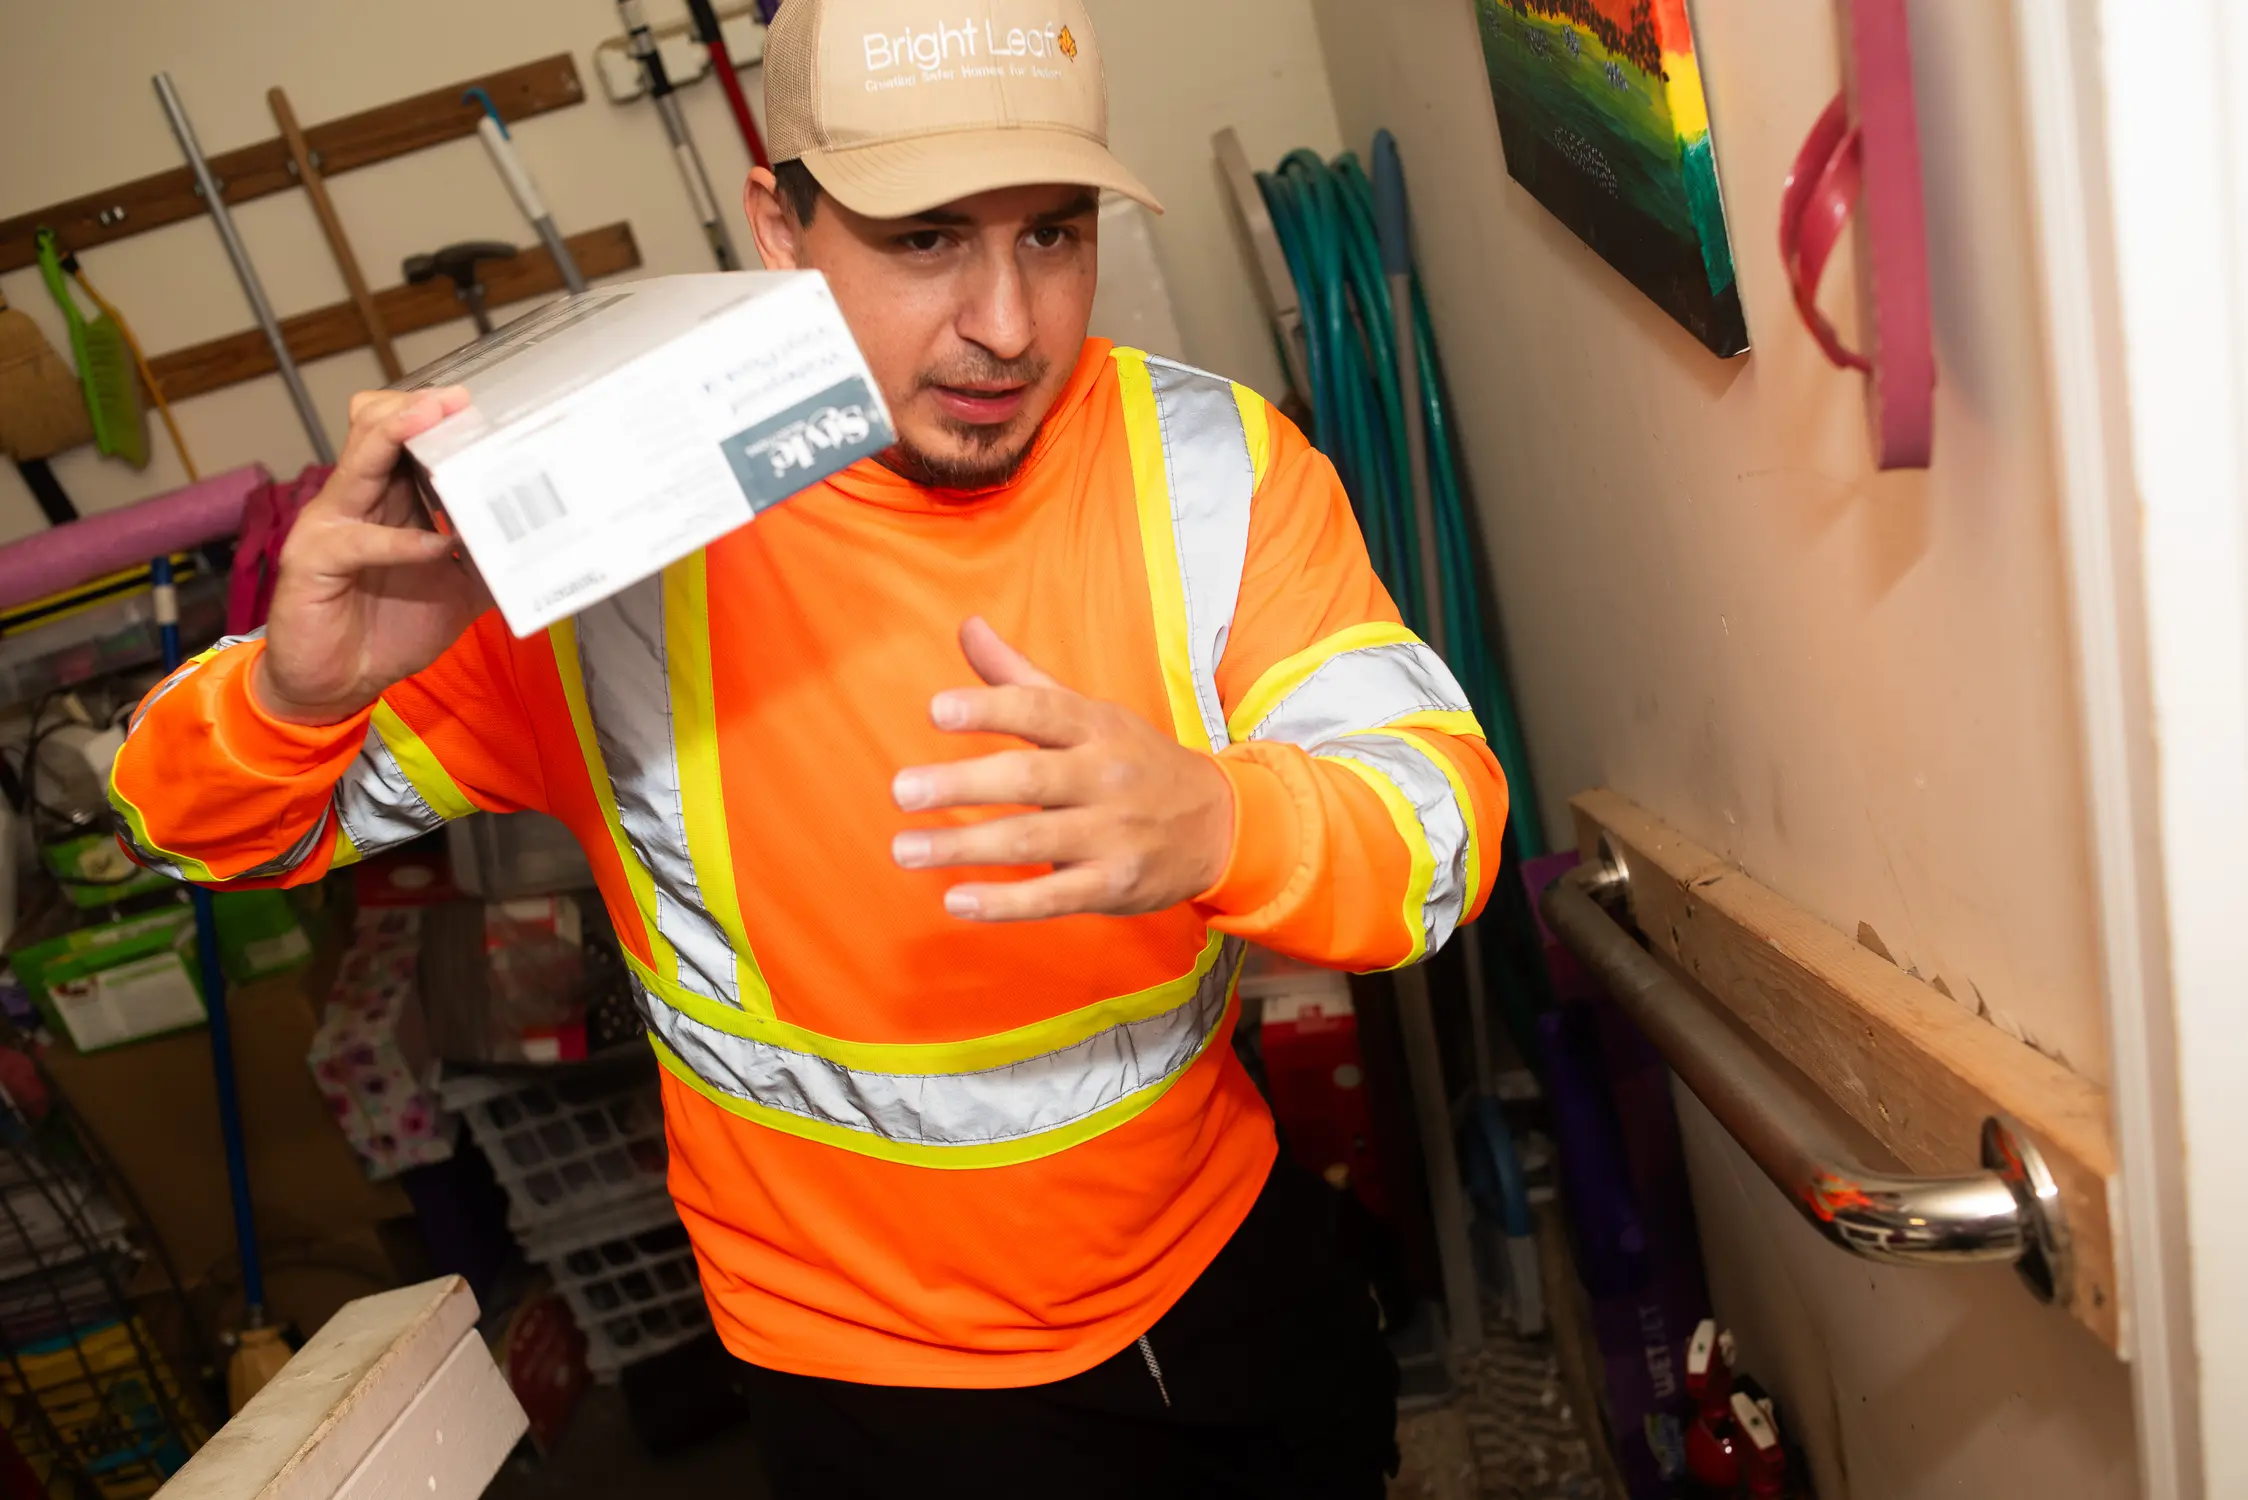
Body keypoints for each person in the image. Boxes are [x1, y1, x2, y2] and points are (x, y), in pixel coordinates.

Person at [109, 1, 1508, 1493]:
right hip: (870, 1377)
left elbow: (1443, 828)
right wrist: (298, 697)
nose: (1008, 323)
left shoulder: (1213, 463)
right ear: (782, 222)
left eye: (1053, 231)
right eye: (923, 238)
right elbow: (202, 833)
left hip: (1225, 1273)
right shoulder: (618, 534)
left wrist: (1230, 826)